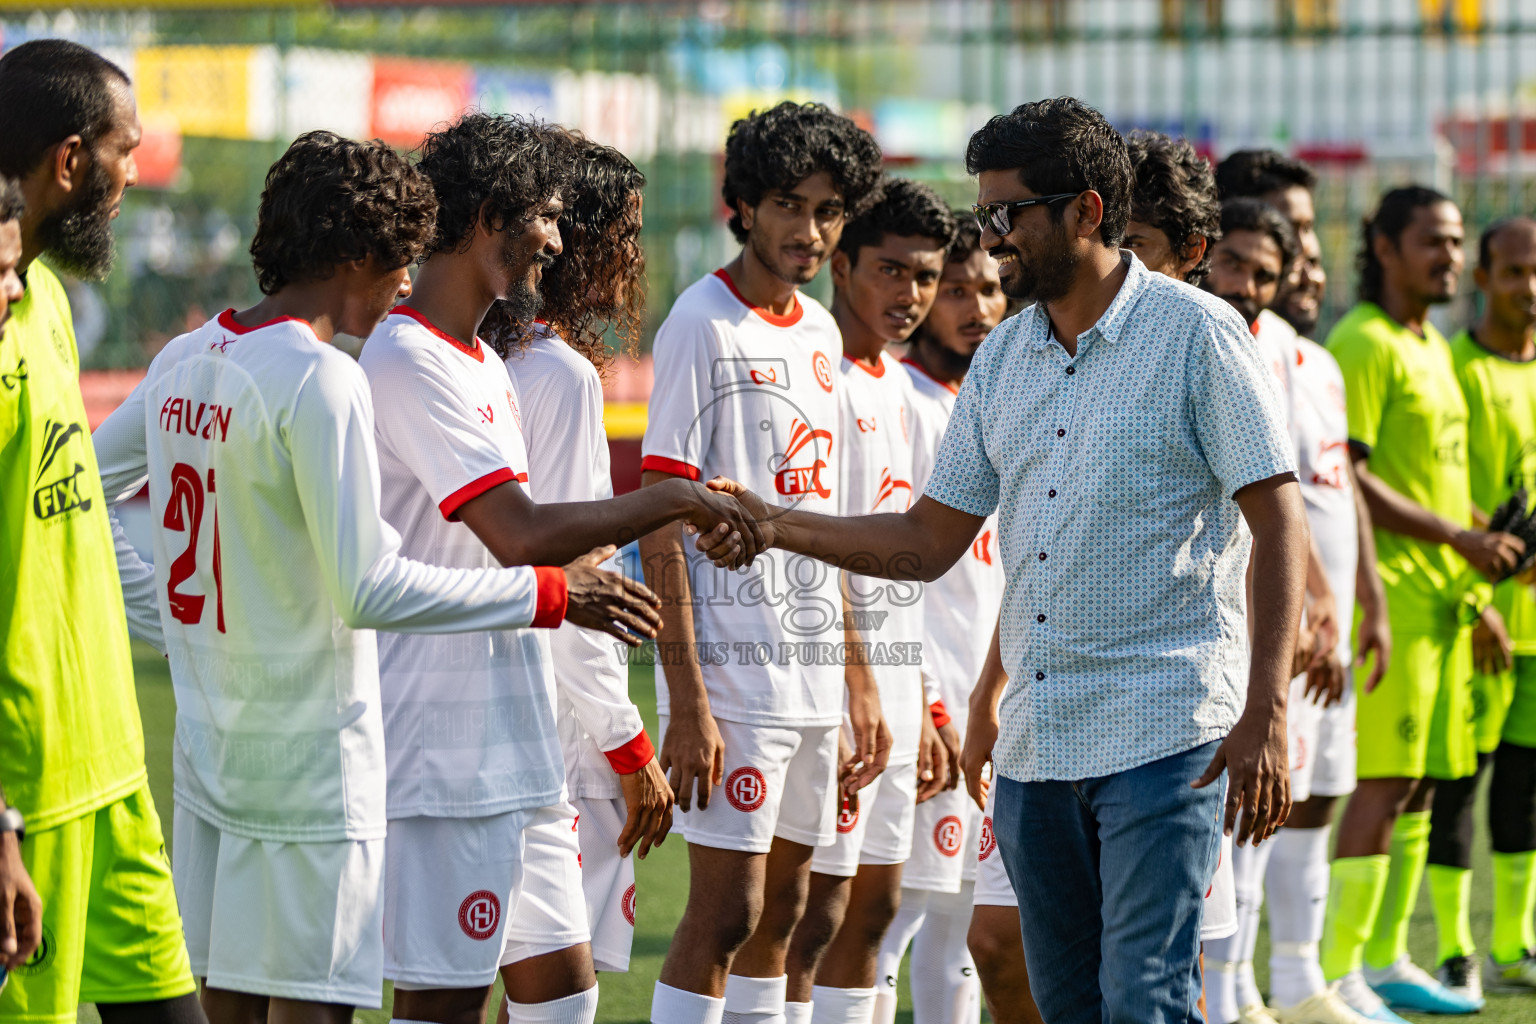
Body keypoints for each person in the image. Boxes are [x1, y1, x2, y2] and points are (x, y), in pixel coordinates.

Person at [719, 95, 1308, 1023]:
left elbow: (1281, 523)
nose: (991, 240)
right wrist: (774, 522)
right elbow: (924, 542)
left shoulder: (1199, 334)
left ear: (1087, 212)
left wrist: (1267, 712)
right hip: (1038, 748)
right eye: (987, 214)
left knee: (1145, 999)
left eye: (1009, 215)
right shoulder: (1004, 362)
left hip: (1167, 733)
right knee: (1064, 1004)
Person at [92, 130, 663, 1024]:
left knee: (236, 1004)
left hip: (217, 745)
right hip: (321, 760)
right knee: (313, 1009)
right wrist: (551, 593)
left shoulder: (185, 357)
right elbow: (370, 589)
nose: (408, 280)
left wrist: (170, 617)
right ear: (356, 252)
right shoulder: (323, 379)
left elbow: (81, 484)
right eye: (401, 256)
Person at [358, 115, 758, 1024]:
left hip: (522, 742)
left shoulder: (490, 363)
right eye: (543, 215)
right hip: (444, 748)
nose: (559, 238)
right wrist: (671, 500)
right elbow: (519, 532)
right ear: (491, 213)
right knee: (445, 1003)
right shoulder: (408, 353)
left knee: (564, 1000)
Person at [638, 100, 884, 1024]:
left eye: (828, 210)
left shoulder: (822, 331)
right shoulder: (701, 324)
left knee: (793, 915)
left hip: (814, 674)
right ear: (742, 204)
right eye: (789, 204)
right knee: (728, 910)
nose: (811, 230)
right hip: (733, 680)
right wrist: (688, 697)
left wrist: (857, 674)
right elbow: (662, 519)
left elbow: (832, 521)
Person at [0, 40, 205, 1024]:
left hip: (113, 776)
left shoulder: (43, 297)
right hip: (24, 801)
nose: (134, 179)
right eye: (128, 152)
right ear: (72, 160)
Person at [1321, 186, 1521, 1017]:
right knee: (1383, 783)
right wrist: (1456, 537)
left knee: (1424, 787)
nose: (1449, 256)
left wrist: (1486, 548)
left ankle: (1387, 956)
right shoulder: (1362, 343)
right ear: (1388, 249)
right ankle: (1334, 974)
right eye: (1433, 242)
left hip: (1447, 604)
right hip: (1392, 602)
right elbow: (1353, 473)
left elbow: (1429, 480)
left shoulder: (1432, 346)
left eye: (1454, 241)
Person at [1217, 150, 1391, 1024]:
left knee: (1301, 794)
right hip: (1255, 611)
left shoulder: (1309, 356)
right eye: (1249, 254)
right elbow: (1264, 489)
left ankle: (1290, 978)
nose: (1283, 269)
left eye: (1292, 249)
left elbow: (1330, 485)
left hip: (1314, 616)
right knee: (1244, 796)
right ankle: (1233, 985)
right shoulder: (1241, 345)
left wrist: (1356, 599)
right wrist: (1314, 597)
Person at [492, 138, 666, 993]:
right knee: (556, 990)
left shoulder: (487, 358)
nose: (636, 260)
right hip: (548, 731)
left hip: (491, 715)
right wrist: (629, 746)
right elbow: (576, 590)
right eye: (626, 236)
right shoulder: (557, 375)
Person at [780, 177, 954, 1024]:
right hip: (835, 689)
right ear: (841, 267)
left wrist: (921, 700)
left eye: (925, 277)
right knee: (811, 917)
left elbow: (911, 565)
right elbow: (822, 549)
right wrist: (858, 686)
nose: (911, 294)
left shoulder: (907, 391)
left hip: (897, 690)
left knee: (876, 913)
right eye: (891, 271)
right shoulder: (824, 380)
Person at [872, 215, 1010, 1024]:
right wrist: (923, 700)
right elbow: (896, 574)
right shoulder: (908, 401)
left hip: (984, 701)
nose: (976, 307)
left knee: (961, 911)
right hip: (926, 704)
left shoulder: (986, 397)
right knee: (896, 913)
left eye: (990, 288)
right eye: (954, 289)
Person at [1438, 216, 1536, 995]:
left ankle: (1513, 944)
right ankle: (1450, 949)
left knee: (1524, 794)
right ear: (1483, 279)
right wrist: (1480, 602)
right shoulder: (1457, 369)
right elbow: (1441, 496)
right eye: (1513, 273)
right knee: (1455, 787)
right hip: (1475, 619)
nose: (1528, 289)